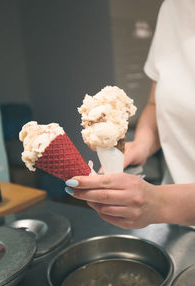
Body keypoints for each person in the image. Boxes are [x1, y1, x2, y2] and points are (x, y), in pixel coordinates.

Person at [64, 0, 195, 229]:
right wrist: (141, 145)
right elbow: (156, 104)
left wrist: (161, 203)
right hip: (177, 228)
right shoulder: (174, 8)